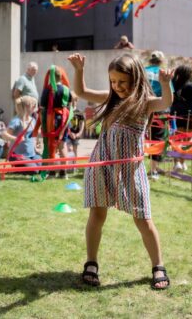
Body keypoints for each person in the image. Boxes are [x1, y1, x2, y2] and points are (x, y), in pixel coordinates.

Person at [67, 52, 173, 291]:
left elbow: (166, 102)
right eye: (113, 81)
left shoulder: (144, 103)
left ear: (135, 78)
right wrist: (79, 70)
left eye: (122, 82)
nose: (117, 86)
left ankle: (158, 266)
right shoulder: (110, 98)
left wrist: (166, 84)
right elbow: (82, 92)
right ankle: (91, 263)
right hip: (102, 164)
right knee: (97, 215)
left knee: (143, 218)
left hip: (130, 169)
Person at [37, 65, 72, 178]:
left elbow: (42, 107)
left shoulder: (48, 89)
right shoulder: (66, 89)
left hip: (51, 120)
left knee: (51, 144)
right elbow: (69, 106)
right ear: (61, 76)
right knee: (62, 145)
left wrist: (42, 123)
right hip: (64, 121)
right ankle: (63, 173)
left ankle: (52, 172)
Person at [145, 51, 169, 179]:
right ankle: (153, 170)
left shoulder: (142, 70)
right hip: (159, 108)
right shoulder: (163, 73)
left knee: (142, 137)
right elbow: (169, 93)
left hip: (144, 107)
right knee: (158, 139)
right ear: (161, 61)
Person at [2, 96, 41, 169]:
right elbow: (4, 134)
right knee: (34, 170)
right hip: (17, 155)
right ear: (27, 107)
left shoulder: (32, 120)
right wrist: (15, 138)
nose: (35, 108)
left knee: (43, 167)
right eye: (33, 105)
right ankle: (15, 168)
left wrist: (48, 134)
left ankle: (27, 164)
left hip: (31, 155)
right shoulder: (16, 121)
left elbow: (36, 133)